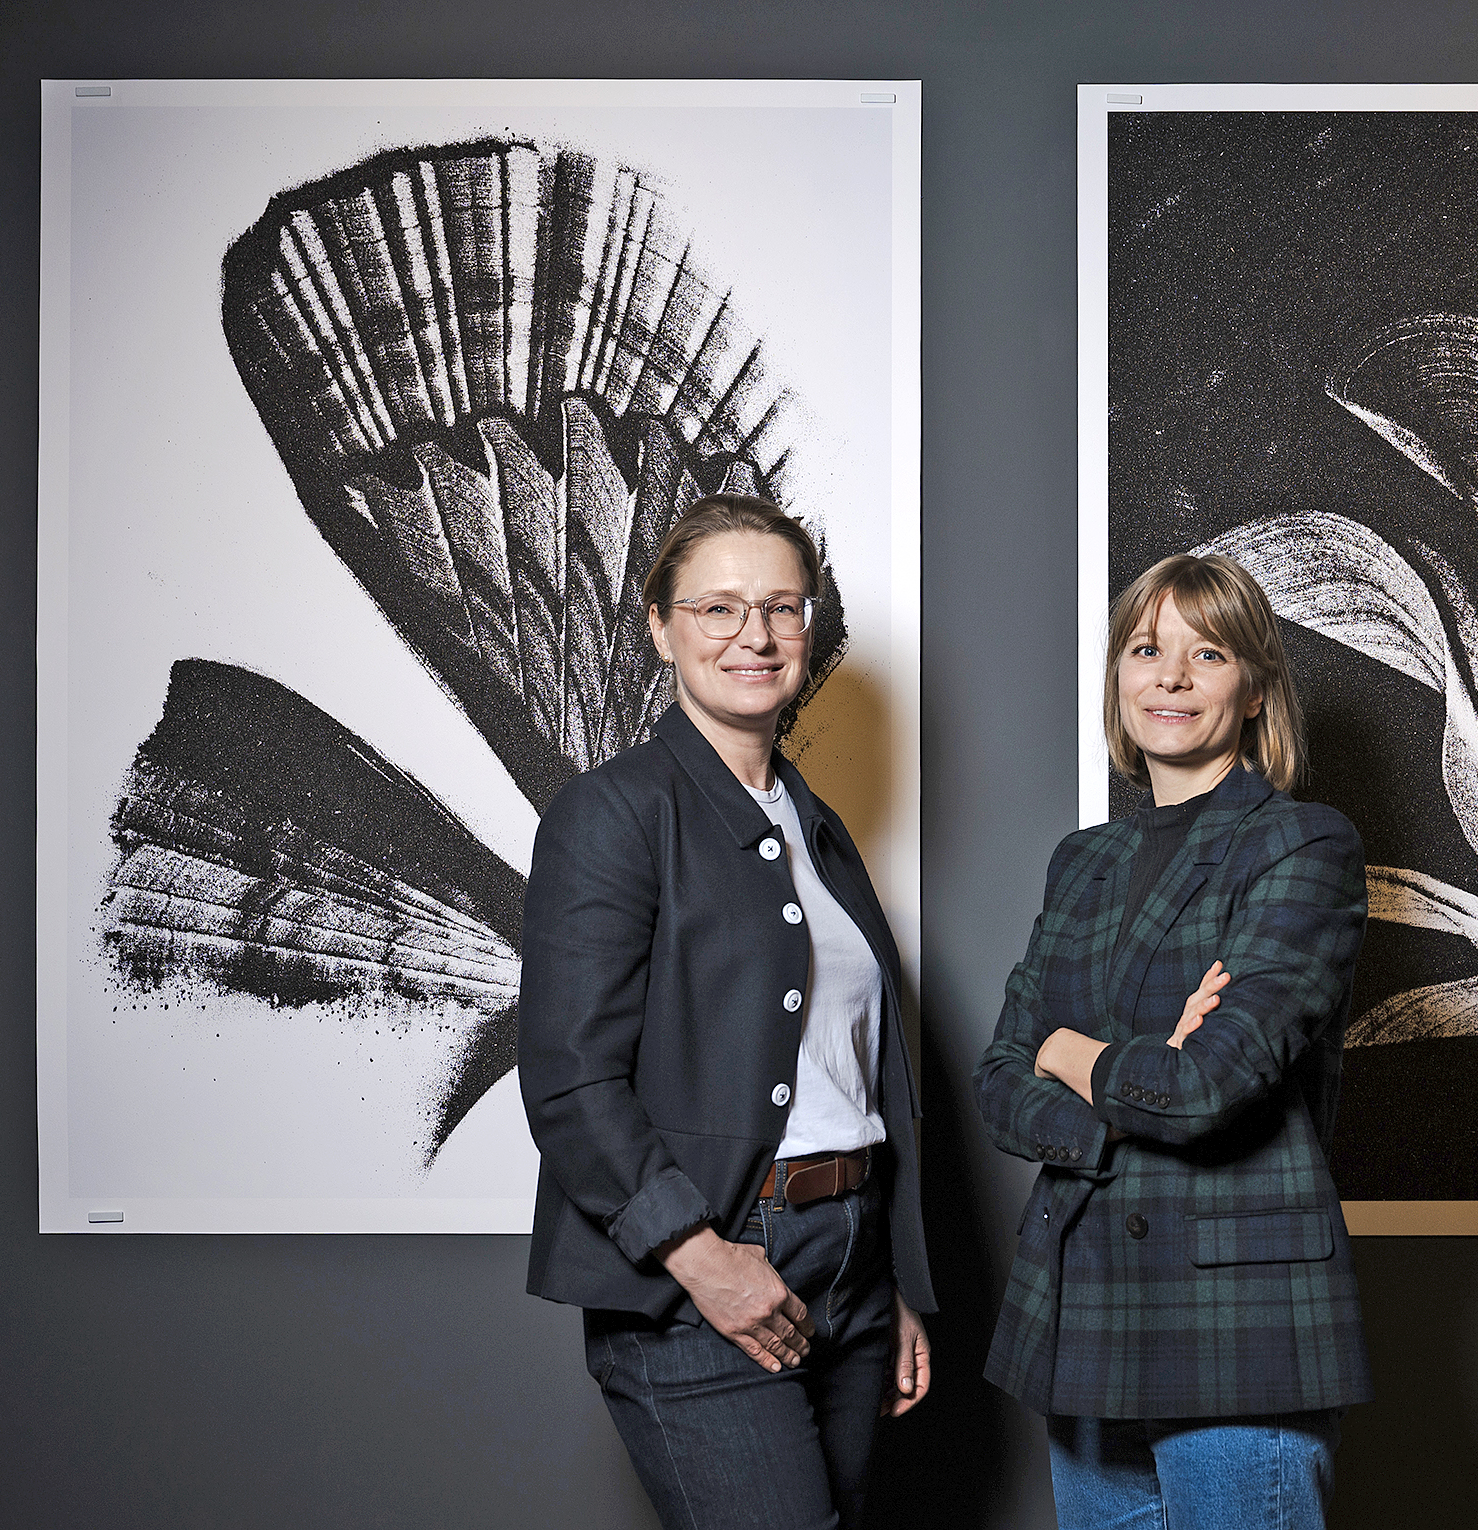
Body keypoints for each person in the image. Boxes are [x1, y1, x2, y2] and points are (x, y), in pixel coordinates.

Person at [519, 495, 933, 1530]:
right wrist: (701, 1259)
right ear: (659, 625)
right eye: (718, 608)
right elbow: (569, 1078)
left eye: (782, 608)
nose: (755, 635)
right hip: (703, 1268)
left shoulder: (817, 826)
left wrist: (888, 1282)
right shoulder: (611, 814)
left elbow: (852, 1072)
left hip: (848, 1259)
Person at [974, 552, 1371, 1529]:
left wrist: (1064, 1052)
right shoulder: (1081, 862)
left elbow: (1206, 1087)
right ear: (1118, 676)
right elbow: (993, 1079)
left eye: (1208, 653)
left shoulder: (1301, 844)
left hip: (1233, 1331)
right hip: (1084, 1311)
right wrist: (1113, 1092)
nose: (1171, 676)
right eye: (1146, 649)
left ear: (1252, 689)